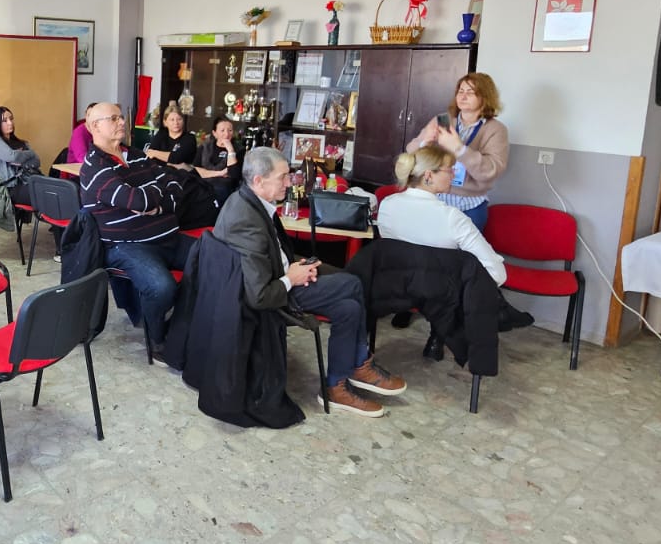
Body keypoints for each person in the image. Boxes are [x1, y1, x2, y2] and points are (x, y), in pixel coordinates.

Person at [215, 147, 405, 417]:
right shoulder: (247, 220)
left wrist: (295, 268)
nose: (289, 182)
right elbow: (259, 295)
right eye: (282, 177)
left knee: (349, 308)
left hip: (278, 275)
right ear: (258, 180)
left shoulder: (250, 202)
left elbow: (268, 256)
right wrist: (291, 278)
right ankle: (360, 364)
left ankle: (335, 386)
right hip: (271, 296)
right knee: (353, 283)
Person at [77, 101, 191, 361]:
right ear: (95, 126)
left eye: (121, 117)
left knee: (213, 260)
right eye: (114, 118)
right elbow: (137, 201)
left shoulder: (137, 155)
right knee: (161, 287)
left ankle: (184, 327)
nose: (122, 122)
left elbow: (176, 185)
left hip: (167, 235)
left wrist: (156, 205)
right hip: (126, 245)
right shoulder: (94, 167)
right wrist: (152, 195)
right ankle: (157, 338)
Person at [377, 145, 507, 287]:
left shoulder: (387, 204)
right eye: (449, 170)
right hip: (437, 295)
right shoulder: (453, 218)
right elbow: (497, 273)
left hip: (392, 288)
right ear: (429, 175)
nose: (454, 175)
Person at [406, 72, 508, 233]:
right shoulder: (443, 120)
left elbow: (491, 170)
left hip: (470, 205)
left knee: (463, 249)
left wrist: (460, 149)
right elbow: (410, 152)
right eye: (460, 91)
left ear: (485, 97)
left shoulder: (496, 129)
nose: (463, 96)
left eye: (470, 92)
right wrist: (425, 142)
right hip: (435, 198)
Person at [0, 106, 42, 206]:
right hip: (10, 188)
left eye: (11, 119)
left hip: (29, 180)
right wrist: (29, 154)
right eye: (5, 120)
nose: (10, 123)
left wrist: (22, 160)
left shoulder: (20, 142)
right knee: (47, 195)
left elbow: (37, 161)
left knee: (55, 190)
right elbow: (12, 157)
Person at [195, 115, 243, 204]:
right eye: (222, 130)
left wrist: (230, 150)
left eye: (230, 130)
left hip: (224, 189)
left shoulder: (239, 149)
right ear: (214, 133)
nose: (227, 134)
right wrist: (220, 173)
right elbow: (196, 170)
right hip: (203, 185)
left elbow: (234, 174)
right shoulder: (205, 146)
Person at [145, 102, 198, 167]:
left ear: (183, 121)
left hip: (181, 173)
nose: (176, 123)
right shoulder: (161, 134)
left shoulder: (189, 138)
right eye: (172, 120)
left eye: (179, 119)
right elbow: (150, 154)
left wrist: (155, 153)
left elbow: (177, 158)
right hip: (160, 171)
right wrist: (171, 163)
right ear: (165, 122)